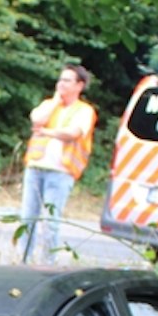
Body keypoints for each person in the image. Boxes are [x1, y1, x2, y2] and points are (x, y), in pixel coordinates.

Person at [18, 64, 96, 264]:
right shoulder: (49, 105)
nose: (61, 84)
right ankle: (22, 261)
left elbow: (73, 133)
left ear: (79, 85)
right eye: (60, 79)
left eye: (67, 80)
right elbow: (37, 118)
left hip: (61, 172)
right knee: (28, 218)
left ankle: (47, 264)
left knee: (50, 222)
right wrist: (55, 101)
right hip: (36, 167)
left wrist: (46, 132)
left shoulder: (84, 111)